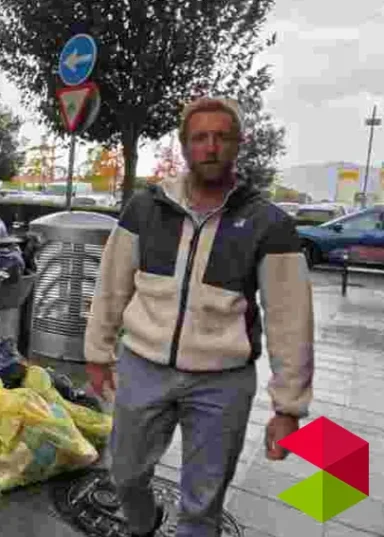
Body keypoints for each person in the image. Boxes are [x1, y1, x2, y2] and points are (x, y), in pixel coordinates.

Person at [83, 96, 314, 537]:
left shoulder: (269, 224)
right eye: (200, 138)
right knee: (125, 475)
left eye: (222, 137)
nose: (210, 147)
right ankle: (144, 523)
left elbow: (291, 319)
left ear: (239, 144)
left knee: (203, 501)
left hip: (222, 382)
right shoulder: (144, 209)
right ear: (184, 145)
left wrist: (288, 407)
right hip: (142, 367)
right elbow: (111, 286)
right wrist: (97, 353)